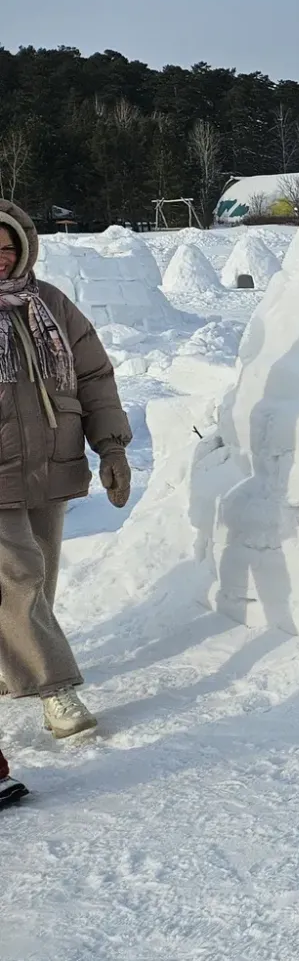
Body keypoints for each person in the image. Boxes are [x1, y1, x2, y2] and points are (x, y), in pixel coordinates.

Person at [0, 202, 132, 805]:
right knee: (18, 578)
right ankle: (57, 691)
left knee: (39, 580)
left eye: (6, 246)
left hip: (50, 468)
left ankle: (13, 667)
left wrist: (111, 447)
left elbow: (95, 377)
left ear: (23, 247)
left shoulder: (50, 304)